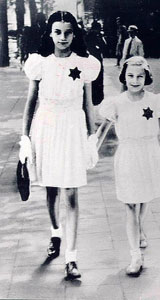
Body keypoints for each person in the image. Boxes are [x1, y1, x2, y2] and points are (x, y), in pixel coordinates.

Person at [20, 11, 100, 279]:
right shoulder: (40, 63)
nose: (63, 37)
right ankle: (56, 232)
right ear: (50, 34)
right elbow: (30, 103)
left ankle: (72, 258)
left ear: (74, 33)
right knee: (51, 188)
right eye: (57, 32)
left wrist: (92, 136)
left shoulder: (85, 64)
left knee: (71, 193)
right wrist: (24, 137)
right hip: (46, 127)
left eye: (67, 32)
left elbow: (87, 104)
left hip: (72, 128)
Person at [99, 56, 160, 277]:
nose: (135, 80)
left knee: (144, 198)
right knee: (130, 204)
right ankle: (135, 256)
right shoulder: (117, 103)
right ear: (124, 77)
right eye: (130, 76)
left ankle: (138, 227)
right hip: (128, 155)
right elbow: (103, 129)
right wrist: (91, 150)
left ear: (146, 77)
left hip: (149, 154)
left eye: (140, 76)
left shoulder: (155, 100)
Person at [85, 21, 106, 106]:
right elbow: (103, 46)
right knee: (97, 78)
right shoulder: (94, 35)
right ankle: (96, 98)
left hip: (93, 59)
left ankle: (94, 97)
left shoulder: (89, 35)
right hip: (95, 59)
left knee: (94, 79)